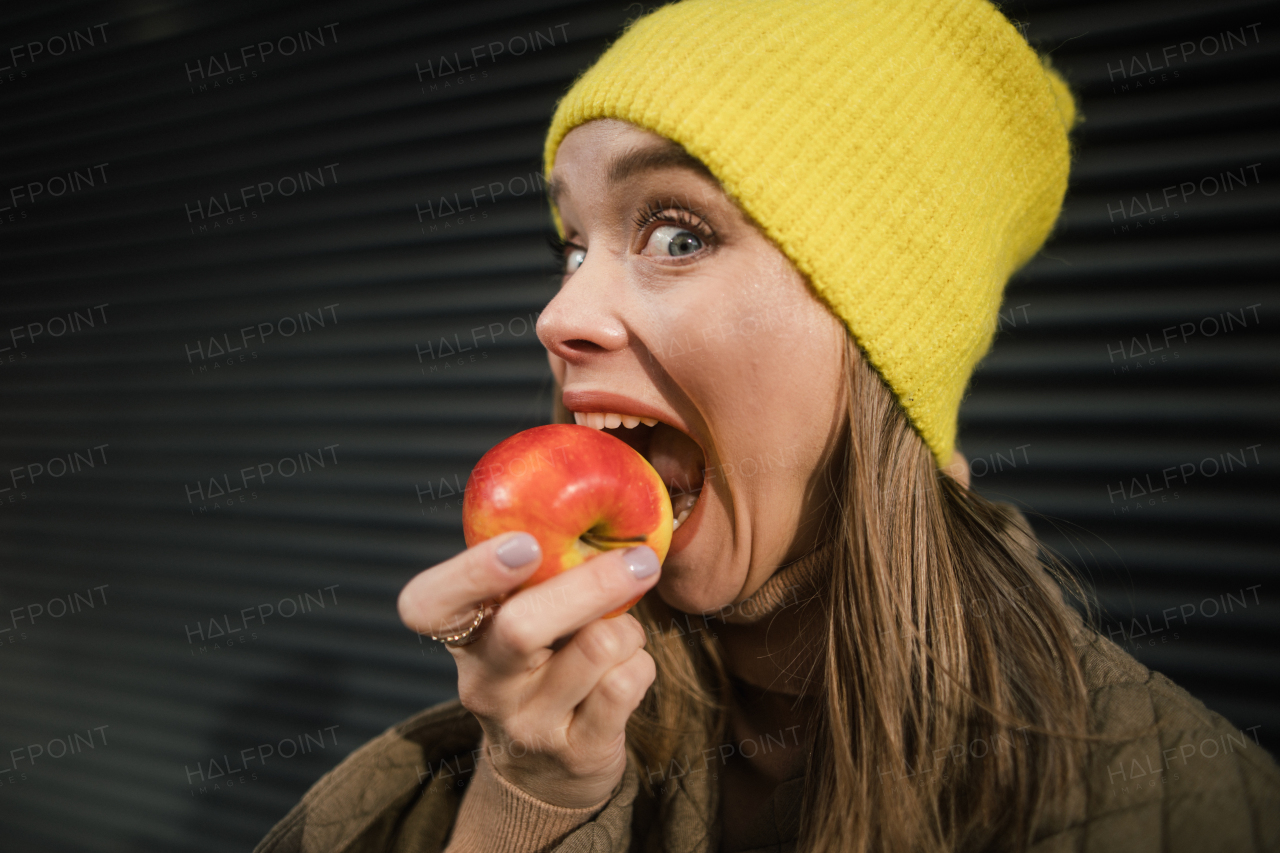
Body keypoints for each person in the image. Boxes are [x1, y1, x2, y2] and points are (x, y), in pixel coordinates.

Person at [255, 1, 1280, 851]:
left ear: (882, 341)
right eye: (571, 246)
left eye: (674, 232)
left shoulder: (1182, 804)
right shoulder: (472, 765)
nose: (556, 317)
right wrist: (524, 804)